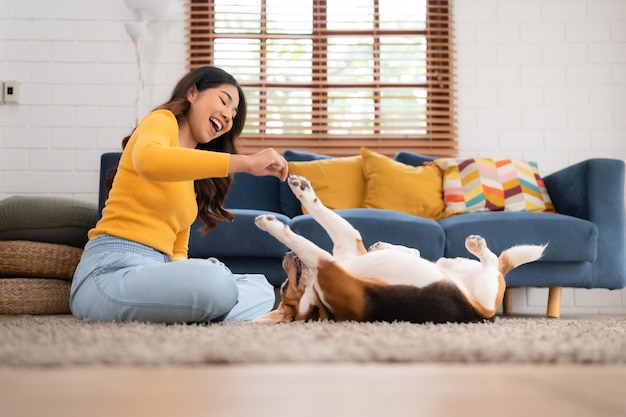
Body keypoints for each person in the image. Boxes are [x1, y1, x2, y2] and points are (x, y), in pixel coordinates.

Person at [70, 66, 288, 324]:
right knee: (217, 282)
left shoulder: (190, 173)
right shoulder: (161, 121)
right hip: (111, 272)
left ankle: (195, 309)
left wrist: (184, 275)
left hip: (157, 275)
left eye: (233, 114)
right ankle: (208, 305)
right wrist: (246, 163)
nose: (228, 117)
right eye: (223, 101)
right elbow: (149, 162)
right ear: (192, 92)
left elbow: (178, 251)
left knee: (262, 288)